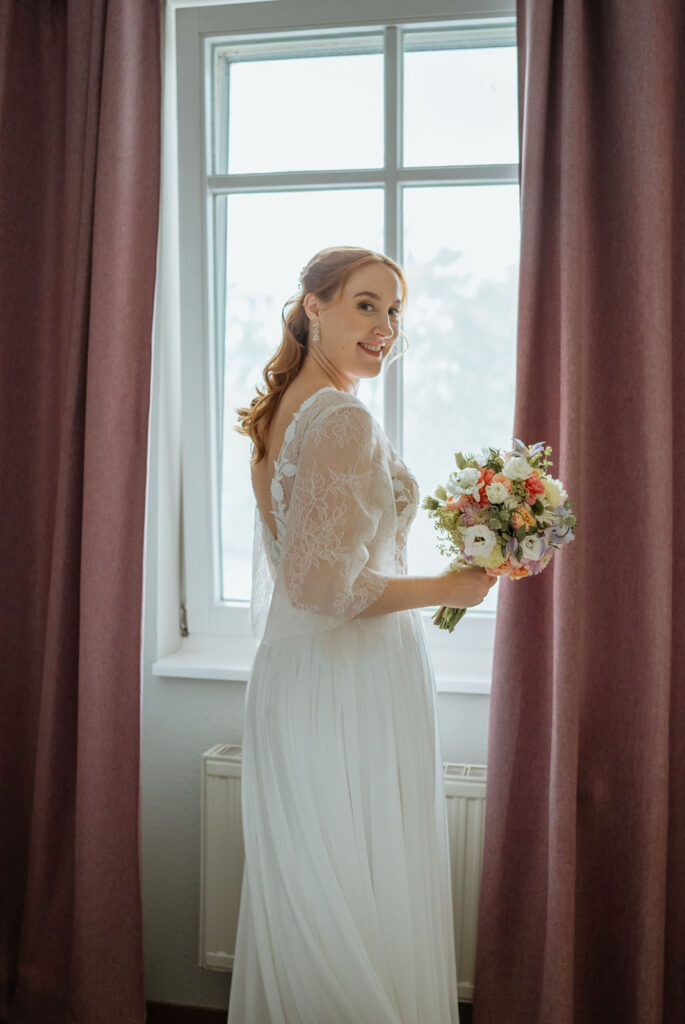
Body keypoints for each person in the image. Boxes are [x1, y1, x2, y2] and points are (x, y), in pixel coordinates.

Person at [228, 246, 496, 1024]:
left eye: (394, 310)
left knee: (324, 885)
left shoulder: (284, 406)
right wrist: (449, 589)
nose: (385, 326)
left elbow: (310, 569)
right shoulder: (339, 416)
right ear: (314, 306)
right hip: (349, 679)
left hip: (301, 677)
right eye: (365, 305)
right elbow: (322, 588)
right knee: (355, 884)